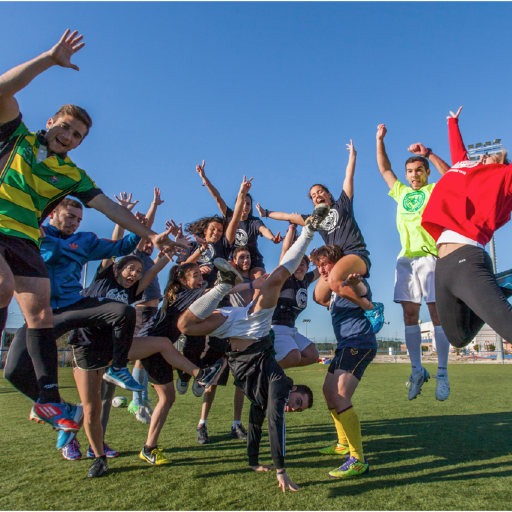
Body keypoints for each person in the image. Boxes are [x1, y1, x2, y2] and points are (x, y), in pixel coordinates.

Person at [0, 30, 179, 432]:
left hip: (24, 239)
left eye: (77, 134)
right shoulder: (18, 138)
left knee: (41, 313)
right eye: (65, 127)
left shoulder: (72, 174)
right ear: (51, 122)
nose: (68, 136)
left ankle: (48, 398)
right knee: (1, 286)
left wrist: (150, 236)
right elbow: (2, 91)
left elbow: (108, 207)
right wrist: (48, 58)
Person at [177, 203, 329, 493]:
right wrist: (281, 470)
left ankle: (221, 286)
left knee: (186, 325)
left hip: (232, 333)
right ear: (294, 390)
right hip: (255, 329)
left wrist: (253, 462)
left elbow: (257, 422)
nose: (292, 408)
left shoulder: (263, 395)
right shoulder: (279, 383)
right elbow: (274, 421)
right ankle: (310, 229)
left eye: (296, 410)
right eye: (297, 403)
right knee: (275, 279)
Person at [4, 197, 144, 451]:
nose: (74, 223)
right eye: (70, 217)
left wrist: (137, 227)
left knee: (123, 311)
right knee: (13, 372)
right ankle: (64, 412)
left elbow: (120, 247)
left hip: (73, 305)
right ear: (52, 214)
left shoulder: (85, 241)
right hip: (40, 313)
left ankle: (118, 368)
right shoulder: (33, 236)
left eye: (78, 219)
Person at [66, 254, 223, 477]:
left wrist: (165, 256)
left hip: (115, 347)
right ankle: (96, 455)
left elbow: (154, 271)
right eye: (131, 269)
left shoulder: (131, 291)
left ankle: (149, 444)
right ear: (117, 268)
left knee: (163, 355)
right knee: (91, 408)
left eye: (138, 271)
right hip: (87, 350)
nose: (135, 274)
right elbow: (115, 244)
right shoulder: (104, 279)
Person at [136, 261, 265, 463]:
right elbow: (217, 292)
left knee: (167, 399)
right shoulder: (184, 295)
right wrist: (248, 285)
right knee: (165, 349)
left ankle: (148, 448)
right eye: (195, 275)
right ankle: (199, 374)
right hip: (149, 342)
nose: (200, 279)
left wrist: (251, 285)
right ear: (183, 279)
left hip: (159, 351)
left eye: (200, 275)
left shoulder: (190, 294)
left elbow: (220, 292)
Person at [256, 141, 384, 333]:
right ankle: (354, 307)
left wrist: (353, 156)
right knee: (320, 297)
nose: (317, 196)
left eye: (320, 192)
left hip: (355, 254)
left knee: (333, 281)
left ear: (329, 195)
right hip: (335, 262)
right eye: (313, 196)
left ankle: (372, 309)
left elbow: (349, 176)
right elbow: (289, 216)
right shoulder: (314, 219)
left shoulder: (342, 204)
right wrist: (266, 213)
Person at [422, 106, 512, 352]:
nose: (484, 157)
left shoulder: (504, 176)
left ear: (502, 163)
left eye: (492, 156)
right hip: (443, 265)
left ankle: (500, 286)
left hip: (468, 258)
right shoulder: (464, 166)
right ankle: (503, 286)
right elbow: (458, 150)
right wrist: (452, 123)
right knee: (458, 338)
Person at [376, 124, 452, 401]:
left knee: (436, 314)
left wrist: (428, 153)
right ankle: (418, 370)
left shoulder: (434, 189)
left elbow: (451, 175)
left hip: (431, 257)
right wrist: (379, 140)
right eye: (410, 171)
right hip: (406, 258)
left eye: (418, 170)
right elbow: (385, 170)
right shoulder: (402, 193)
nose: (414, 175)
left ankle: (442, 373)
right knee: (410, 315)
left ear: (426, 172)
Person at [310, 245, 376, 479]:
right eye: (318, 266)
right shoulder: (336, 290)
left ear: (337, 263)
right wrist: (324, 273)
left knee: (340, 395)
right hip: (344, 344)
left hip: (359, 342)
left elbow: (364, 291)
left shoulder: (351, 282)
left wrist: (354, 280)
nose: (321, 269)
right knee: (328, 391)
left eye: (324, 263)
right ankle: (342, 443)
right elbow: (319, 297)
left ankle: (358, 459)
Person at [196, 160, 283, 279]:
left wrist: (273, 238)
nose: (245, 206)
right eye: (242, 203)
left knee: (260, 280)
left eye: (248, 204)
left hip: (252, 258)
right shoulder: (229, 216)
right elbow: (217, 197)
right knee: (227, 272)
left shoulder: (253, 221)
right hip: (234, 258)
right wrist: (204, 178)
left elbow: (263, 230)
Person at [272, 223, 319, 369]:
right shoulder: (285, 278)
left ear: (307, 267)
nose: (299, 266)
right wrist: (292, 226)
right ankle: (265, 370)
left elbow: (325, 268)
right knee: (293, 357)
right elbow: (286, 251)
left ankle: (273, 367)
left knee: (312, 355)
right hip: (276, 327)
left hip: (291, 328)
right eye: (296, 263)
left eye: (303, 264)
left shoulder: (305, 280)